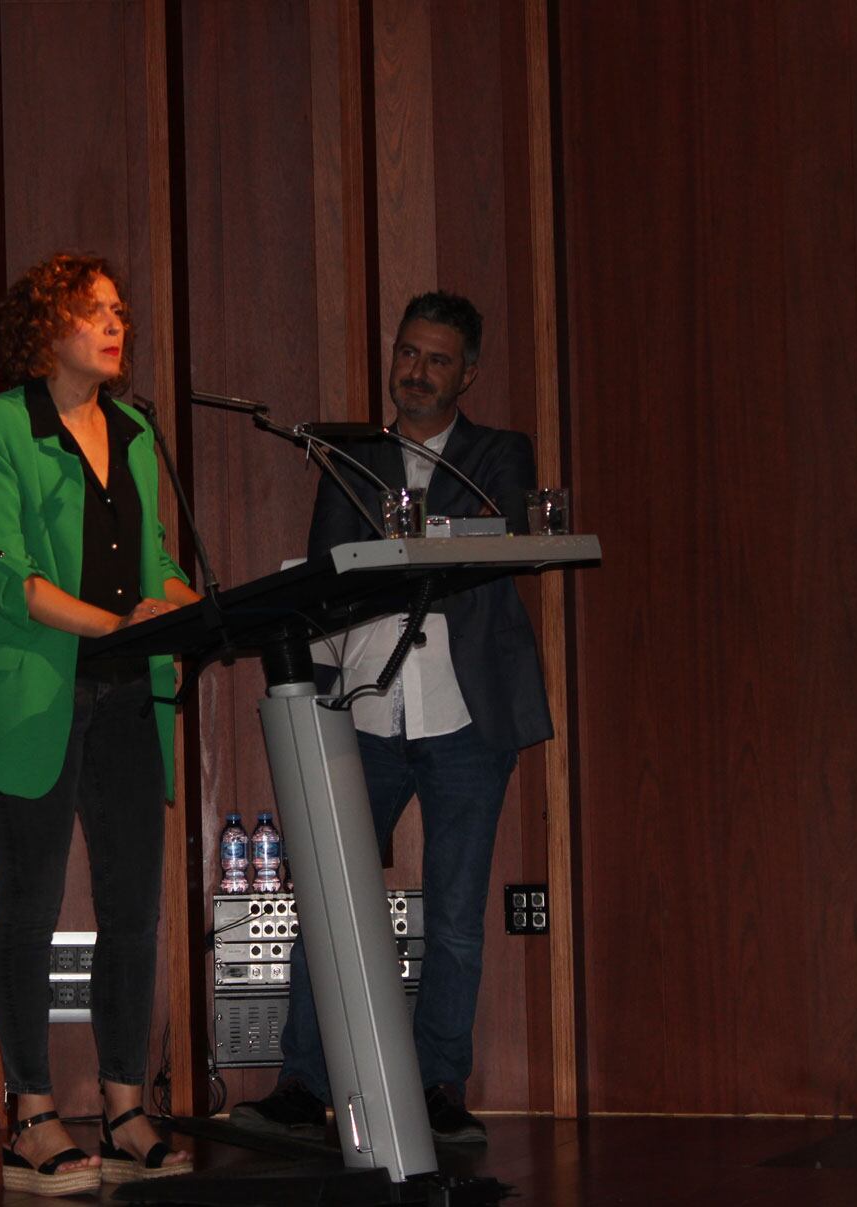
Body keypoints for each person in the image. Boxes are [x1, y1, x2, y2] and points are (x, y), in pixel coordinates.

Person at [230, 290, 553, 1145]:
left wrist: (411, 543)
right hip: (364, 710)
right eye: (407, 352)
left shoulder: (499, 450)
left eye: (437, 359)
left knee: (455, 917)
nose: (416, 371)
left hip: (464, 717)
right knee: (327, 903)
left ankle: (439, 1083)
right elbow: (331, 571)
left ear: (467, 374)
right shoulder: (353, 455)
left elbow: (493, 543)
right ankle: (305, 1083)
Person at [0, 252, 198, 1195]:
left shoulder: (135, 431)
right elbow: (3, 568)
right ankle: (32, 1118)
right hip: (33, 694)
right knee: (31, 905)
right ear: (47, 329)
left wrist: (191, 608)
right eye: (95, 311)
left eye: (119, 309)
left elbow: (156, 559)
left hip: (129, 692)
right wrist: (116, 625)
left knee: (133, 910)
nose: (115, 323)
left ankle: (126, 1110)